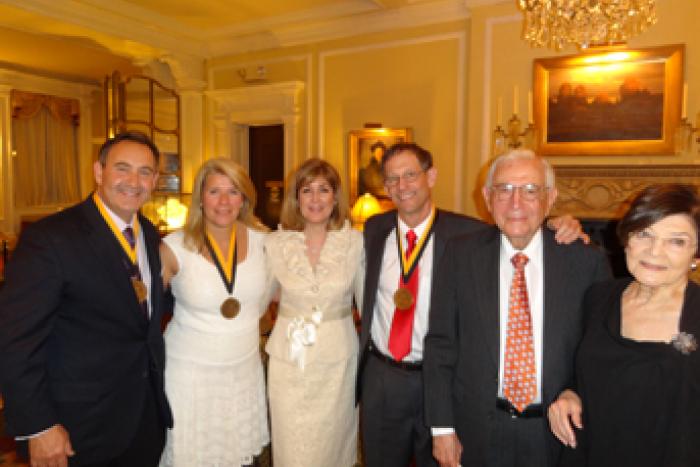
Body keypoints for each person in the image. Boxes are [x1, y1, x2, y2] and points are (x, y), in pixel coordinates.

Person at [358, 143, 589, 467]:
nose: (402, 185)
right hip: (386, 377)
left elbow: (518, 223)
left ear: (431, 177)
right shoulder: (374, 229)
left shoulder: (467, 234)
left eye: (410, 174)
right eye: (392, 179)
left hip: (451, 385)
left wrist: (559, 224)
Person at [0, 131, 172, 466]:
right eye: (122, 168)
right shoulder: (50, 238)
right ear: (98, 171)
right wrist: (39, 426)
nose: (133, 182)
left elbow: (139, 317)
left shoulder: (150, 234)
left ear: (154, 181)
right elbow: (14, 340)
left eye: (145, 172)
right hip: (77, 430)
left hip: (143, 420)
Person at [548, 184, 700, 467]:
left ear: (696, 255)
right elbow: (583, 372)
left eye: (676, 242)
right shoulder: (599, 297)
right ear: (627, 238)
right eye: (644, 234)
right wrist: (570, 393)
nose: (654, 252)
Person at [158, 158, 271, 467]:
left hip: (243, 373)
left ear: (244, 199)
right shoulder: (174, 247)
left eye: (233, 192)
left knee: (236, 456)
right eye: (214, 191)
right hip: (190, 378)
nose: (224, 202)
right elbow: (141, 312)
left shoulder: (264, 242)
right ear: (200, 197)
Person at [265, 158, 364, 466]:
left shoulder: (355, 242)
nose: (316, 198)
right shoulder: (274, 243)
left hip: (337, 364)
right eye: (307, 190)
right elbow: (258, 296)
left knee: (333, 447)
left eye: (324, 189)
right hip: (288, 363)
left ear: (336, 197)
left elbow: (368, 304)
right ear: (296, 198)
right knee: (292, 448)